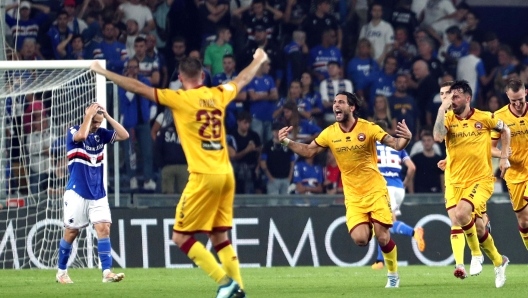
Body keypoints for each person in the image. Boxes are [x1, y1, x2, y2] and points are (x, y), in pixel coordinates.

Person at [90, 48, 271, 298]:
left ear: (181, 78)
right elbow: (242, 79)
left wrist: (104, 72)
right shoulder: (218, 93)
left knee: (180, 236)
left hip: (203, 175)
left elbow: (138, 87)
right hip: (225, 174)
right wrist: (258, 60)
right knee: (220, 235)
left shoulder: (179, 98)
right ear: (203, 75)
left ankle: (224, 282)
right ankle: (239, 290)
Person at [278, 91, 414, 288]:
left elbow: (395, 144)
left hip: (376, 190)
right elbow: (309, 150)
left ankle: (393, 274)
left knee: (383, 235)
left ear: (351, 107)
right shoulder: (330, 132)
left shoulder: (368, 128)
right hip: (353, 196)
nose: (336, 105)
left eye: (340, 102)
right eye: (334, 102)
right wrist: (287, 142)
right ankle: (372, 223)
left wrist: (406, 138)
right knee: (360, 239)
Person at [433, 80, 510, 287]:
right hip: (455, 181)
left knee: (459, 215)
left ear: (468, 98)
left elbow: (506, 130)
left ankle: (475, 255)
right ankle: (498, 261)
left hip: (481, 180)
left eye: (455, 96)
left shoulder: (484, 117)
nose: (452, 100)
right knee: (476, 226)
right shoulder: (448, 118)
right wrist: (442, 108)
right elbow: (438, 136)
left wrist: (503, 156)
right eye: (449, 96)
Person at [56, 103, 129, 284]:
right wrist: (89, 117)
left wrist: (108, 116)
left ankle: (107, 272)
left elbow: (124, 135)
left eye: (99, 122)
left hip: (98, 192)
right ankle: (61, 272)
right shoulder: (73, 131)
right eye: (95, 122)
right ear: (86, 115)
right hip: (77, 192)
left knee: (104, 228)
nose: (97, 125)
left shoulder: (102, 134)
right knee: (71, 232)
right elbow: (81, 135)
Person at [371, 120, 423, 270]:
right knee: (381, 223)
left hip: (384, 188)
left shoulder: (372, 146)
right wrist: (405, 183)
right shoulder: (397, 145)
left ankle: (415, 232)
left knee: (388, 224)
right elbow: (412, 168)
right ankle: (379, 260)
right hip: (399, 188)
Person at [491, 79, 528, 257]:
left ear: (525, 93)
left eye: (520, 99)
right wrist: (503, 155)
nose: (518, 104)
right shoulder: (499, 117)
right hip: (514, 174)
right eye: (514, 101)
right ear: (507, 96)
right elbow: (489, 148)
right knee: (524, 220)